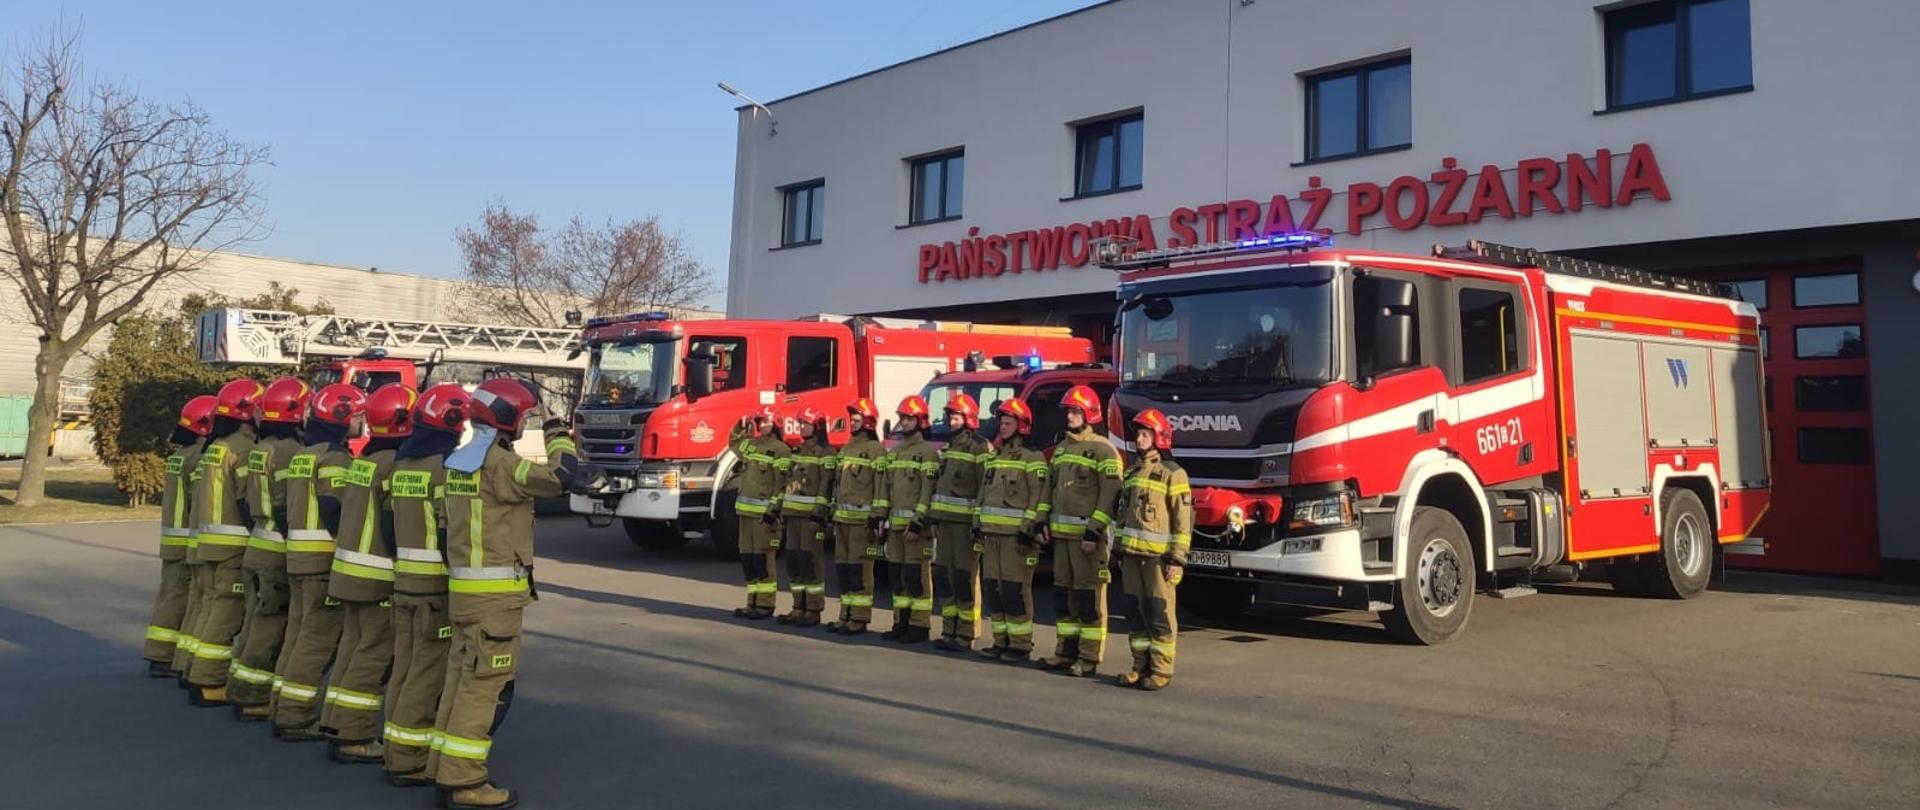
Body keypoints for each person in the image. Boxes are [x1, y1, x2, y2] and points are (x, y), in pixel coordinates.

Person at [432, 378, 582, 810]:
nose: (523, 426)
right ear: (507, 418)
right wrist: (557, 433)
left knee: (461, 683)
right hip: (495, 601)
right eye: (522, 417)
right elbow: (561, 476)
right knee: (484, 688)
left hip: (463, 594)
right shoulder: (500, 466)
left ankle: (441, 766)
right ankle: (464, 783)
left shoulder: (457, 462)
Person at [323, 382, 417, 763]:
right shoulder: (395, 465)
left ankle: (335, 722)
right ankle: (354, 736)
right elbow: (396, 527)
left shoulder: (362, 463)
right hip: (377, 575)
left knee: (352, 647)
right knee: (373, 655)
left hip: (348, 569)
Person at [272, 383, 366, 739]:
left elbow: (282, 508)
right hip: (322, 561)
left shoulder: (303, 454)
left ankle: (281, 704)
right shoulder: (334, 458)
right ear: (342, 418)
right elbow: (333, 507)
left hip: (298, 558)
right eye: (358, 415)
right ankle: (295, 716)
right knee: (316, 640)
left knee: (297, 633)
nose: (362, 422)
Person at [385, 383, 464, 787]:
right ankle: (408, 758)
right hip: (434, 588)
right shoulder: (446, 467)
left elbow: (386, 525)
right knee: (428, 672)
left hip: (403, 583)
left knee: (405, 664)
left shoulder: (403, 466)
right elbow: (453, 533)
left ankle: (395, 747)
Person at [227, 376, 309, 718]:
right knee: (271, 626)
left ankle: (241, 688)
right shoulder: (290, 453)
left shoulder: (259, 450)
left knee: (255, 620)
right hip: (276, 551)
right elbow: (290, 507)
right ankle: (252, 697)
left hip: (258, 543)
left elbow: (246, 502)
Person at [183, 378, 265, 707]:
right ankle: (209, 681)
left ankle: (193, 669)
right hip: (233, 544)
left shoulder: (216, 446)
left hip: (206, 541)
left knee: (207, 607)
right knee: (227, 614)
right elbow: (249, 501)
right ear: (247, 413)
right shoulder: (242, 449)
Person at [1035, 385, 1122, 677]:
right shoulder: (1061, 450)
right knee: (1063, 596)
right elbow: (1049, 489)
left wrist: (1094, 532)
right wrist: (1041, 522)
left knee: (1089, 600)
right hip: (1062, 539)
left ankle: (1088, 656)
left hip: (1088, 542)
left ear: (1090, 414)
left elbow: (1109, 496)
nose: (1070, 416)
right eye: (1069, 411)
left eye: (1075, 411)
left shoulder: (1104, 449)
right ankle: (1065, 650)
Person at [1113, 408, 1192, 691]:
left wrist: (1177, 559)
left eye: (1145, 434)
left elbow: (1183, 522)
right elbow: (1123, 517)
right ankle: (1139, 666)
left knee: (1159, 614)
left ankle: (1161, 669)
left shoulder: (1173, 474)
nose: (1139, 439)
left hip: (1159, 561)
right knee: (1135, 614)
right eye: (1138, 434)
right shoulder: (1133, 472)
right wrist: (1119, 550)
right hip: (1133, 557)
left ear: (1159, 437)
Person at [142, 395, 215, 678]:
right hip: (188, 540)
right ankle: (162, 656)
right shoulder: (197, 458)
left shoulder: (180, 456)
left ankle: (161, 652)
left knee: (169, 594)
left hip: (173, 539)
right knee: (180, 598)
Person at [972, 398, 1048, 663]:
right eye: (1001, 423)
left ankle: (1020, 645)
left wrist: (1029, 531)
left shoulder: (1033, 458)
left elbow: (1038, 498)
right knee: (994, 589)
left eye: (1007, 423)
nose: (1002, 427)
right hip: (991, 535)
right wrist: (976, 521)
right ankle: (1000, 640)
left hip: (1017, 539)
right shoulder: (995, 456)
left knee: (1016, 591)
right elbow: (984, 492)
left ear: (1021, 425)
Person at [925, 392, 989, 652]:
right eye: (949, 416)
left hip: (965, 526)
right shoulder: (948, 449)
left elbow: (985, 487)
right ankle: (949, 629)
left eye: (955, 416)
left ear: (968, 418)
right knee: (945, 577)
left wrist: (978, 523)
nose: (950, 421)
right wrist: (934, 518)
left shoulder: (980, 448)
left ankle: (966, 633)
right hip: (945, 525)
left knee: (965, 577)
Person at [878, 396, 938, 643]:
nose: (904, 422)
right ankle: (900, 621)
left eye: (909, 418)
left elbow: (928, 491)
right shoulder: (894, 452)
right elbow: (885, 489)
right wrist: (880, 519)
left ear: (921, 421)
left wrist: (918, 521)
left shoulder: (928, 454)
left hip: (916, 530)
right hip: (895, 529)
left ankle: (919, 625)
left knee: (916, 578)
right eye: (902, 417)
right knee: (897, 578)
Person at [826, 398, 885, 634]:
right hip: (842, 520)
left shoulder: (876, 451)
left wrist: (877, 516)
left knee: (861, 571)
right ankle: (845, 615)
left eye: (857, 419)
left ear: (869, 422)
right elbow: (838, 484)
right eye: (852, 419)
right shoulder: (848, 447)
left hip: (862, 523)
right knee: (844, 569)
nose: (853, 423)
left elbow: (881, 487)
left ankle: (859, 618)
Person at [775, 406, 836, 627]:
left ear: (817, 426)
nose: (802, 428)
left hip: (811, 519)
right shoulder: (797, 451)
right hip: (792, 516)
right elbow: (787, 484)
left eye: (806, 424)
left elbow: (825, 486)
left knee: (812, 562)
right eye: (800, 424)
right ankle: (797, 606)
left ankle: (813, 608)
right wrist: (781, 509)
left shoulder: (826, 453)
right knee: (794, 561)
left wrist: (818, 516)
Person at [728, 406, 788, 620]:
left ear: (776, 424)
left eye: (766, 422)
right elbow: (733, 443)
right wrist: (740, 425)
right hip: (746, 515)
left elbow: (781, 485)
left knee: (764, 561)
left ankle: (765, 605)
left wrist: (771, 513)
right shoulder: (751, 446)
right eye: (760, 422)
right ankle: (752, 602)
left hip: (764, 518)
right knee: (749, 560)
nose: (762, 425)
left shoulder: (781, 450)